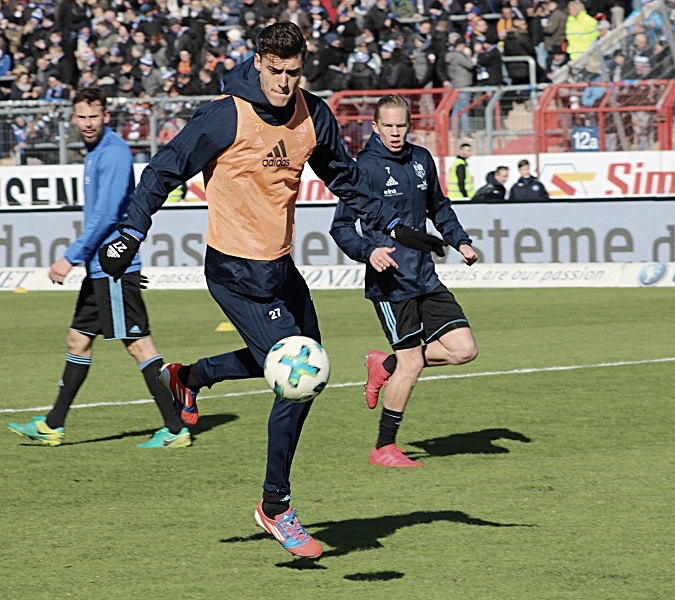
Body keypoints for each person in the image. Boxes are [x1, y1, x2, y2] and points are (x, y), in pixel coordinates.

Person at [95, 23, 446, 559]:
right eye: (276, 71)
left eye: (294, 71)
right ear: (258, 62)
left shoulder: (313, 113)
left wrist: (394, 226)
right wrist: (131, 231)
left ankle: (187, 377)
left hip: (281, 268)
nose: (284, 82)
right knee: (298, 376)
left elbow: (347, 182)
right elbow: (164, 169)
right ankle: (275, 507)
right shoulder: (224, 114)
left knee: (310, 366)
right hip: (235, 272)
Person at [7, 87, 190, 450]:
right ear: (74, 119)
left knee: (139, 346)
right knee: (78, 339)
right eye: (82, 117)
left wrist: (70, 256)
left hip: (113, 265)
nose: (88, 123)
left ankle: (175, 428)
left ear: (106, 116)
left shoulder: (114, 153)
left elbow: (107, 215)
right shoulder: (94, 153)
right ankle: (52, 425)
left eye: (94, 116)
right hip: (99, 269)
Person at [329, 95, 478, 468]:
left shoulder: (421, 159)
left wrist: (459, 240)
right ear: (375, 127)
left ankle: (386, 367)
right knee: (412, 362)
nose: (396, 133)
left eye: (401, 126)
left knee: (464, 350)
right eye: (388, 126)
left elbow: (439, 207)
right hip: (390, 283)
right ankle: (384, 448)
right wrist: (369, 251)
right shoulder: (363, 168)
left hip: (425, 276)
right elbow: (341, 227)